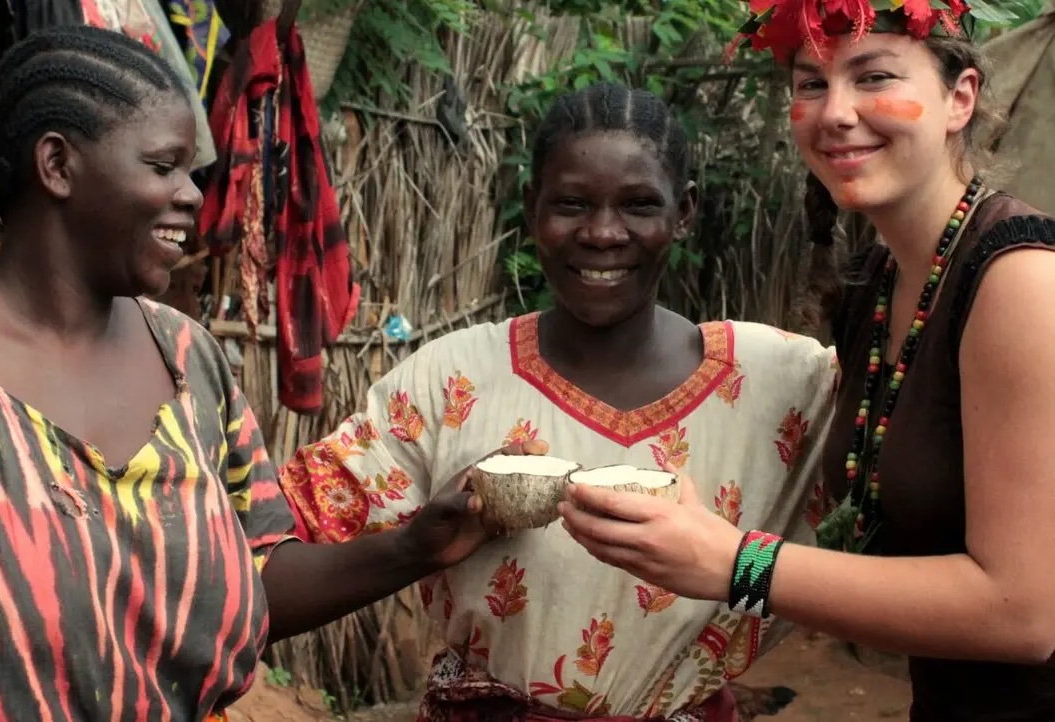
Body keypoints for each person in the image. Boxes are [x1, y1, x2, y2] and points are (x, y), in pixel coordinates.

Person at [0, 25, 510, 722]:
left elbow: (256, 580)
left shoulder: (188, 358)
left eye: (192, 171)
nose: (194, 195)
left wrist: (415, 549)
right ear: (57, 164)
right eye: (163, 166)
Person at [279, 80, 839, 722]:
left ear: (684, 212)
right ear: (531, 207)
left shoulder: (782, 385)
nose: (602, 233)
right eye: (571, 203)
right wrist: (416, 548)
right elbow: (261, 580)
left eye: (638, 204)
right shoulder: (452, 381)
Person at [559, 2, 1055, 720]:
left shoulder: (1019, 282)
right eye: (811, 84)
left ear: (961, 98)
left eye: (874, 76)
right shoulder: (879, 286)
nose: (836, 114)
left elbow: (1025, 615)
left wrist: (738, 565)